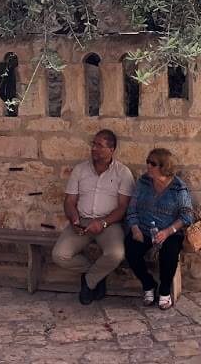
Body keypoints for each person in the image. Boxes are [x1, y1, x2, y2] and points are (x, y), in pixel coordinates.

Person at [51, 129, 135, 304]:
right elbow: (69, 201)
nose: (94, 149)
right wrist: (74, 220)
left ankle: (89, 281)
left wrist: (103, 223)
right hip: (82, 221)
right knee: (59, 255)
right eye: (93, 144)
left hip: (110, 223)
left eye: (99, 145)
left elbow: (123, 207)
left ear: (111, 150)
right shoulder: (80, 170)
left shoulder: (123, 173)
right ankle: (97, 274)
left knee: (116, 254)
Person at [124, 147, 194, 310]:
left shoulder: (178, 188)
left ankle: (164, 290)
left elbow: (186, 216)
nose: (148, 166)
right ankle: (148, 284)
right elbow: (132, 209)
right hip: (144, 229)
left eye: (152, 163)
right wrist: (135, 229)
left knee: (169, 254)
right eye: (147, 162)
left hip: (169, 231)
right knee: (131, 250)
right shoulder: (143, 182)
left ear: (164, 167)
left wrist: (168, 231)